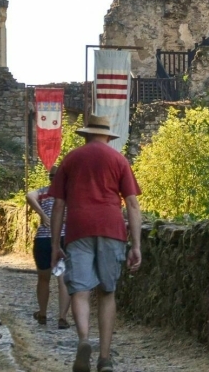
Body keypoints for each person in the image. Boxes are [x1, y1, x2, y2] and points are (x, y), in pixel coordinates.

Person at [50, 114, 141, 372]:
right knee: (106, 292)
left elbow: (58, 205)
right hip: (112, 228)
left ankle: (83, 340)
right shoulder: (118, 160)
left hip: (78, 229)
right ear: (107, 136)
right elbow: (132, 204)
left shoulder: (71, 159)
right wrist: (136, 245)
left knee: (79, 289)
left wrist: (56, 244)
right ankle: (104, 358)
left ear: (86, 134)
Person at [25, 165, 71, 328]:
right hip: (65, 237)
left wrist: (43, 215)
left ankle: (43, 313)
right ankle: (62, 317)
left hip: (44, 238)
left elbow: (29, 195)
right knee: (63, 278)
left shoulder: (44, 192)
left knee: (43, 279)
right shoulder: (70, 193)